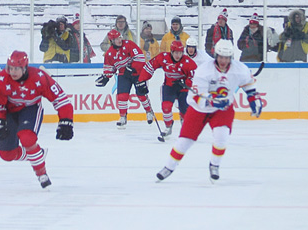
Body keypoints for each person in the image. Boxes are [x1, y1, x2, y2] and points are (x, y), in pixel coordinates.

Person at [156, 40, 263, 182]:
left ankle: (214, 165)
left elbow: (249, 84)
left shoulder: (240, 69)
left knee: (222, 136)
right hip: (198, 109)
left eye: (226, 57)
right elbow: (195, 96)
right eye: (221, 57)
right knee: (184, 141)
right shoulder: (204, 70)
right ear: (216, 55)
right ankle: (169, 167)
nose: (223, 61)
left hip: (223, 109)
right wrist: (212, 100)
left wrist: (252, 98)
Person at [0, 51, 73, 189]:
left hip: (31, 109)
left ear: (24, 67)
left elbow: (60, 99)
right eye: (10, 68)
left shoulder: (39, 77)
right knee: (6, 154)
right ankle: (36, 153)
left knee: (27, 139)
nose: (13, 72)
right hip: (10, 112)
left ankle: (42, 174)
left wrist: (66, 120)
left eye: (16, 68)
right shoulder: (1, 80)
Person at [95, 29, 154, 128]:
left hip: (137, 73)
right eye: (116, 38)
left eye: (119, 37)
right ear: (111, 41)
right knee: (122, 96)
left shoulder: (129, 44)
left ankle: (149, 111)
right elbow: (110, 68)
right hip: (123, 75)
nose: (119, 40)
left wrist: (132, 68)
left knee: (141, 94)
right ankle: (123, 116)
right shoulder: (109, 53)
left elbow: (140, 58)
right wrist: (106, 77)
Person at [139, 40, 197, 137]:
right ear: (171, 51)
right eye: (176, 53)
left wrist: (186, 82)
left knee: (185, 110)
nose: (178, 55)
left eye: (180, 53)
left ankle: (185, 125)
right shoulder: (163, 57)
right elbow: (150, 66)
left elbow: (195, 77)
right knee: (166, 107)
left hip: (184, 88)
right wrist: (141, 81)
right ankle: (168, 126)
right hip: (169, 86)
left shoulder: (188, 62)